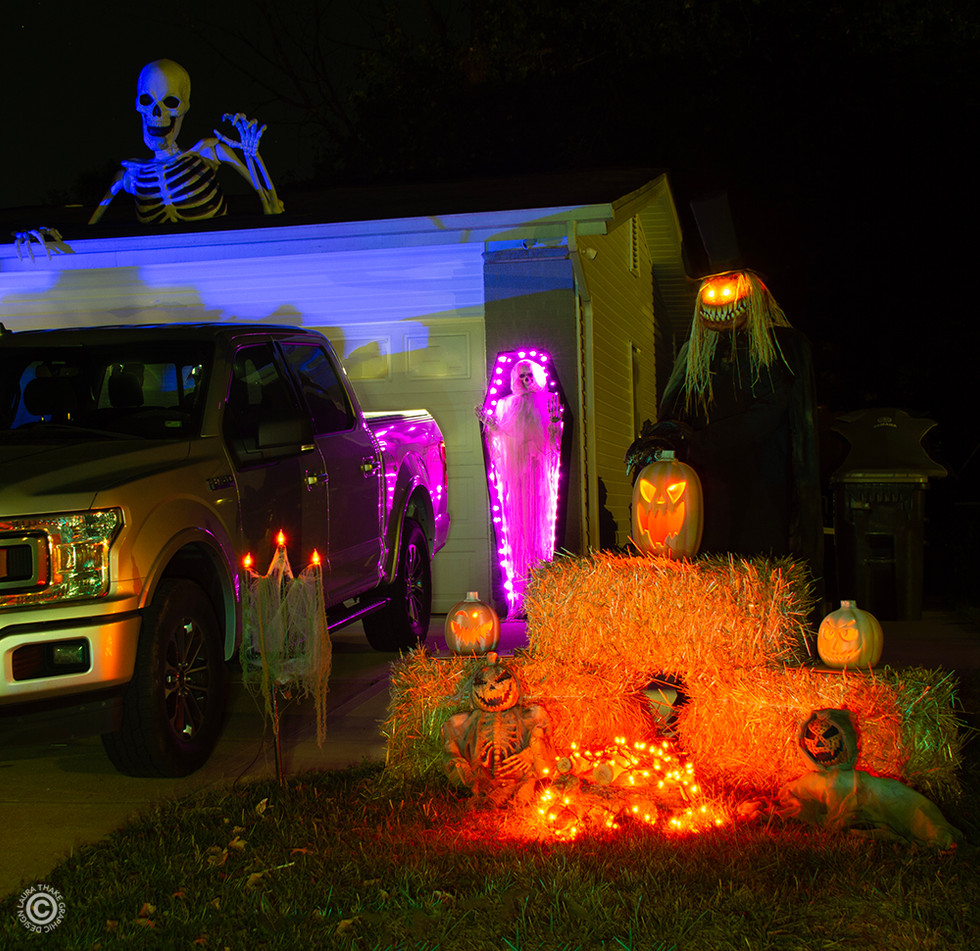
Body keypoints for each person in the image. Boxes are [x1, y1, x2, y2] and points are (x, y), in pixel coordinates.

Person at [626, 270, 822, 590]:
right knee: (708, 554)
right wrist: (663, 438)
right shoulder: (695, 354)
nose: (718, 298)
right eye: (710, 291)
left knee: (756, 559)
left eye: (729, 289)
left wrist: (698, 441)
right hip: (706, 482)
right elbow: (677, 409)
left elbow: (767, 414)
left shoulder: (781, 347)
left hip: (760, 477)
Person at [478, 359, 562, 612]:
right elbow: (502, 439)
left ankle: (541, 594)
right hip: (515, 479)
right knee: (517, 531)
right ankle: (519, 599)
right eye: (522, 376)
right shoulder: (506, 405)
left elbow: (551, 441)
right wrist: (491, 426)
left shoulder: (547, 401)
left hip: (538, 478)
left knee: (538, 529)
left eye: (529, 376)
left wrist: (555, 425)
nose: (526, 381)